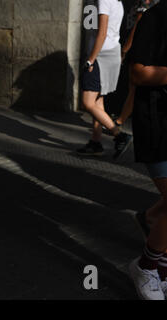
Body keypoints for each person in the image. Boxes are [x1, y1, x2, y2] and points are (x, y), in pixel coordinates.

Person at [125, 0, 167, 300]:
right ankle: (146, 266)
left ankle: (161, 268)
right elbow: (138, 74)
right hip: (158, 123)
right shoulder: (156, 17)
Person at [77, 0, 132, 160]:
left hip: (101, 55)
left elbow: (102, 32)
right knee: (98, 102)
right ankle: (96, 142)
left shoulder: (104, 0)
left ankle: (119, 135)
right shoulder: (117, 2)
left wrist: (91, 60)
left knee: (87, 102)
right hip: (111, 52)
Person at [114, 0, 156, 128]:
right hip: (147, 48)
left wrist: (125, 49)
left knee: (134, 86)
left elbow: (138, 27)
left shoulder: (145, 3)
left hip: (140, 48)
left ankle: (120, 121)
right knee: (134, 87)